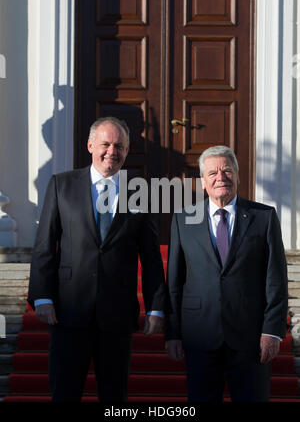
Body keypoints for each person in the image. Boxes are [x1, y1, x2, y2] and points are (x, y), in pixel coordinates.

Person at [28, 116, 166, 402]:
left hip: (117, 316)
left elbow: (152, 258)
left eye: (120, 146)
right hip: (68, 313)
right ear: (90, 145)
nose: (112, 152)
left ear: (127, 151)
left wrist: (155, 307)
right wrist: (42, 297)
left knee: (114, 397)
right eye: (105, 144)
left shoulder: (140, 193)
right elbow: (45, 245)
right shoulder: (61, 185)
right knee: (65, 393)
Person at [165, 145, 288, 402]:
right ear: (203, 181)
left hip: (250, 340)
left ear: (238, 175)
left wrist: (272, 330)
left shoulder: (264, 217)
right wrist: (173, 332)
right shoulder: (182, 219)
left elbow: (275, 277)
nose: (220, 177)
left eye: (227, 171)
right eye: (213, 173)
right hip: (200, 337)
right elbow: (175, 281)